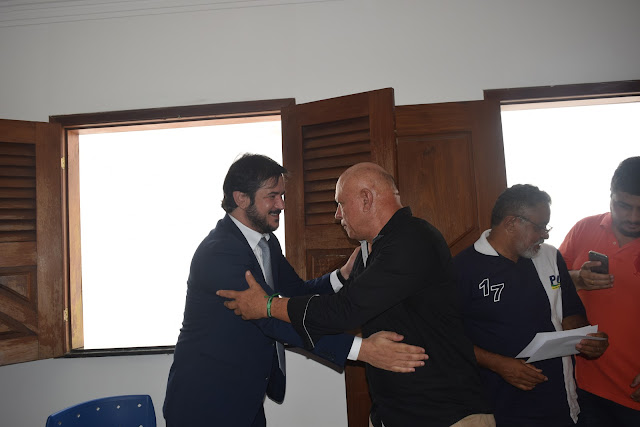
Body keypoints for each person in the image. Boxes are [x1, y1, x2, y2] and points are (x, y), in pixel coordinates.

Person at [219, 162, 494, 427]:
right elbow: (311, 298)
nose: (337, 215)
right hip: (394, 413)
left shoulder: (412, 240)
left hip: (445, 414)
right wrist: (340, 277)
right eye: (273, 195)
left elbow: (342, 311)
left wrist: (268, 306)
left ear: (365, 199)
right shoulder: (372, 249)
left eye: (340, 203)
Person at [162, 154, 427, 427]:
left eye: (282, 195)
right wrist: (362, 350)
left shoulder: (267, 242)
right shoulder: (220, 253)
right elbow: (270, 318)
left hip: (245, 398)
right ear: (241, 198)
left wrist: (341, 277)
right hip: (205, 402)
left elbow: (295, 294)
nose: (282, 204)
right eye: (272, 196)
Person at [452, 184, 609, 427]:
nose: (545, 234)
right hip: (497, 406)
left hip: (561, 402)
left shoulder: (550, 256)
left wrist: (588, 339)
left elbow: (571, 313)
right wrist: (499, 364)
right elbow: (446, 338)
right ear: (511, 223)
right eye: (540, 226)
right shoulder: (462, 268)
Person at [558, 156, 640, 426]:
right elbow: (548, 285)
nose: (633, 218)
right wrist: (576, 279)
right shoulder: (584, 228)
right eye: (623, 206)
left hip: (634, 393)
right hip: (583, 388)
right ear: (610, 195)